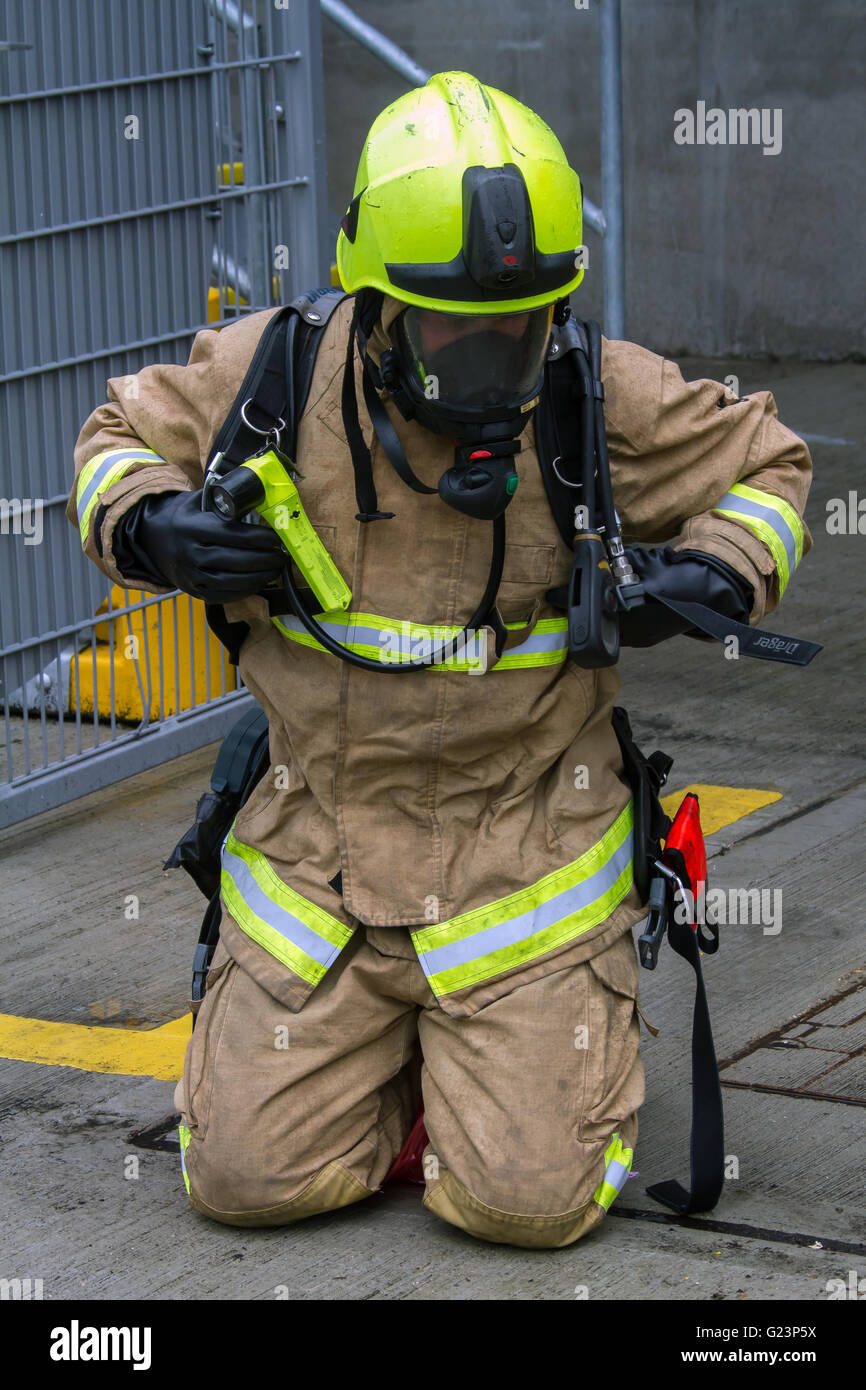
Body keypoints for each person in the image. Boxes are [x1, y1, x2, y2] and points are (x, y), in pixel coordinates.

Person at [68, 71, 812, 1247]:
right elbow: (118, 435)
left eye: (515, 330)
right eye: (451, 333)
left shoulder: (586, 392)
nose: (489, 366)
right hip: (318, 849)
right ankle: (402, 1075)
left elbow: (767, 462)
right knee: (243, 1186)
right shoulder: (273, 374)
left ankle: (500, 1076)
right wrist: (152, 524)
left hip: (525, 851)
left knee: (530, 1208)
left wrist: (718, 570)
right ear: (373, 301)